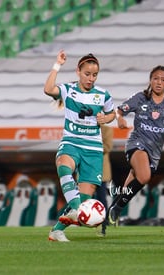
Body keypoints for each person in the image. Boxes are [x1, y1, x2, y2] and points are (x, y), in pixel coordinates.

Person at [44, 50, 116, 241]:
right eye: (87, 74)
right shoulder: (68, 89)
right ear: (78, 71)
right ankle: (75, 209)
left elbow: (112, 114)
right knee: (63, 165)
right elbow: (48, 89)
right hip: (72, 142)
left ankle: (57, 231)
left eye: (94, 75)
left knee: (84, 198)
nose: (91, 78)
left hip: (93, 149)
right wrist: (57, 65)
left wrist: (105, 118)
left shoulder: (103, 95)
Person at [107, 65, 164, 226]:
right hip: (136, 143)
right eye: (156, 78)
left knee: (128, 188)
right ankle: (118, 208)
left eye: (163, 80)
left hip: (154, 152)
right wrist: (120, 118)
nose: (159, 82)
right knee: (144, 176)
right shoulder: (140, 98)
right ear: (150, 80)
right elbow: (119, 110)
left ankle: (108, 216)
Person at [94, 124, 113, 236]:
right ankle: (83, 220)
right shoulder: (83, 128)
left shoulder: (106, 130)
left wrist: (92, 146)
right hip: (86, 168)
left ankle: (103, 222)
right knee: (84, 197)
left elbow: (108, 147)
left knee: (101, 198)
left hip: (101, 170)